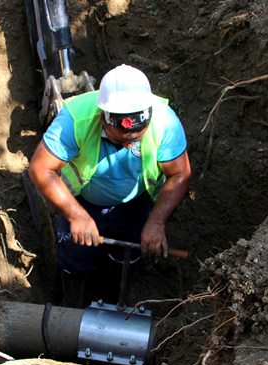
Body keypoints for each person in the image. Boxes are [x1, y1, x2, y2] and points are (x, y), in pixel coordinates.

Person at [28, 64, 190, 307]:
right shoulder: (77, 118)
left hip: (134, 206)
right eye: (121, 138)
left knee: (125, 260)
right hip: (82, 203)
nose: (128, 145)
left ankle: (116, 298)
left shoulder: (165, 123)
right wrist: (76, 216)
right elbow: (41, 168)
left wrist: (156, 222)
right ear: (104, 117)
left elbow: (180, 175)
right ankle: (71, 305)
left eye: (136, 138)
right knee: (74, 259)